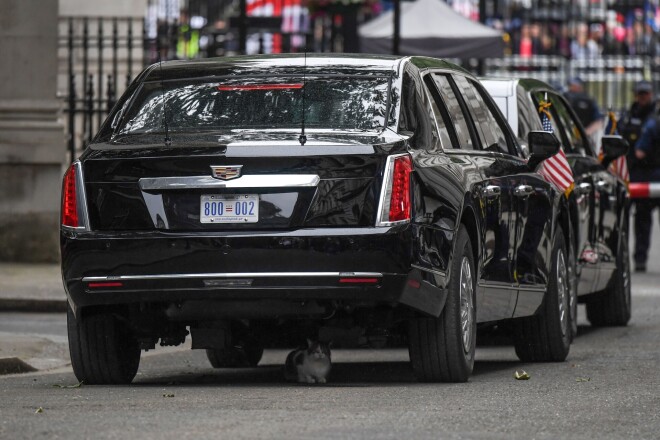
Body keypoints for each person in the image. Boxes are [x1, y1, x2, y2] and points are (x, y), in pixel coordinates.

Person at [627, 82, 660, 272]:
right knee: (642, 218)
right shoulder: (630, 116)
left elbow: (640, 150)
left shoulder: (653, 120)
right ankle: (640, 259)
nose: (643, 97)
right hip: (639, 173)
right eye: (640, 94)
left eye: (645, 94)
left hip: (654, 171)